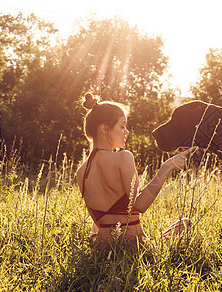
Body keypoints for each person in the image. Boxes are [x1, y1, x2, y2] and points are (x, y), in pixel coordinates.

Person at [76, 92, 196, 243]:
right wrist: (167, 167)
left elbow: (98, 222)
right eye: (122, 126)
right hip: (135, 248)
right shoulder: (123, 157)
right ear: (104, 129)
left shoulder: (81, 171)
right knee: (185, 223)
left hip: (102, 249)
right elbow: (139, 205)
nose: (126, 132)